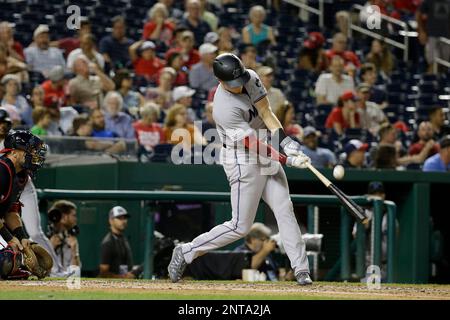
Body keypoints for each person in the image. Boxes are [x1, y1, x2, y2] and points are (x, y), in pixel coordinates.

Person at [167, 53, 313, 285]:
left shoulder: (250, 77)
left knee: (285, 208)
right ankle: (186, 252)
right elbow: (253, 145)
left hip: (265, 145)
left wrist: (285, 141)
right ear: (220, 81)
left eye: (240, 80)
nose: (239, 86)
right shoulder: (223, 108)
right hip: (241, 156)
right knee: (239, 226)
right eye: (232, 83)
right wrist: (287, 159)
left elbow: (266, 112)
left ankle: (301, 269)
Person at [0, 130, 46, 254]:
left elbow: (10, 211)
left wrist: (22, 237)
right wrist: (9, 238)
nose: (34, 154)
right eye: (29, 150)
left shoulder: (21, 175)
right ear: (13, 152)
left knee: (17, 256)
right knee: (8, 257)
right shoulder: (2, 170)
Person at [99, 206, 138, 278]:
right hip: (112, 287)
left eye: (125, 218)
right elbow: (103, 273)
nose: (123, 221)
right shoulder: (108, 242)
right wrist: (122, 278)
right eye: (119, 218)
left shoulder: (123, 238)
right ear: (111, 221)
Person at [47, 200, 81, 272]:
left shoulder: (72, 239)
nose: (75, 219)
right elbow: (39, 270)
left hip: (67, 281)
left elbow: (75, 274)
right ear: (64, 217)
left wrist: (74, 251)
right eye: (73, 215)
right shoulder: (43, 237)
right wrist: (50, 247)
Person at [416, 0, 450, 72]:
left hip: (447, 37)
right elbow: (418, 14)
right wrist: (421, 31)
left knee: (445, 65)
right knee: (433, 64)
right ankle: (429, 81)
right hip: (432, 36)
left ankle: (442, 82)